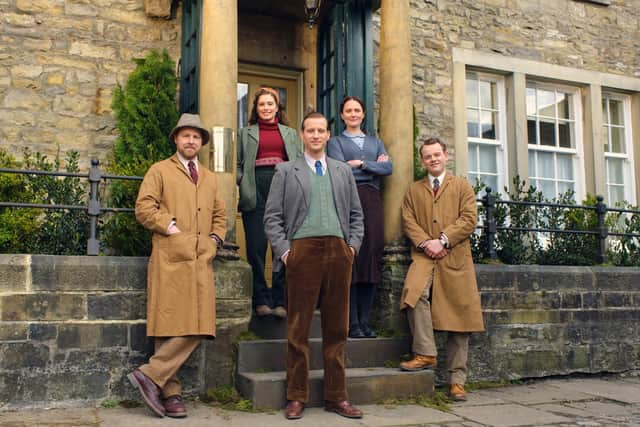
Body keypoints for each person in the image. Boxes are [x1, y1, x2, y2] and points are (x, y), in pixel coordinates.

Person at [264, 112, 364, 420]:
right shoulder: (285, 170)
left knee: (337, 329)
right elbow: (272, 218)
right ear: (302, 135)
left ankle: (337, 396)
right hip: (302, 252)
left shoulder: (342, 171)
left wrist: (351, 249)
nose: (316, 135)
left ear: (328, 135)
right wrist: (285, 252)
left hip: (338, 252)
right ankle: (296, 396)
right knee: (298, 329)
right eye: (311, 130)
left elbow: (357, 216)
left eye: (321, 130)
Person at [128, 113, 227, 418]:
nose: (191, 141)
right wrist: (170, 227)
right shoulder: (159, 171)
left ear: (202, 143)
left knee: (200, 324)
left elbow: (220, 217)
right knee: (168, 323)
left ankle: (149, 374)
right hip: (170, 256)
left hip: (201, 259)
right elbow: (144, 207)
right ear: (176, 139)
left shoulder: (210, 178)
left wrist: (214, 240)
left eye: (196, 137)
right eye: (186, 136)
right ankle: (171, 394)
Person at [399, 137, 484, 402]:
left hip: (455, 256)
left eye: (437, 154)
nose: (433, 159)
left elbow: (469, 219)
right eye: (428, 156)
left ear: (446, 156)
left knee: (460, 318)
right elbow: (408, 219)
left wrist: (444, 240)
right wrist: (426, 243)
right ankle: (426, 352)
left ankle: (457, 382)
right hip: (424, 256)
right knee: (413, 295)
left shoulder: (462, 186)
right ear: (423, 160)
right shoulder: (413, 190)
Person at [326, 96, 392, 339]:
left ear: (363, 115)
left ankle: (365, 321)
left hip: (373, 201)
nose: (353, 114)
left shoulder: (376, 142)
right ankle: (352, 322)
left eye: (357, 110)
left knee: (371, 256)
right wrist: (373, 165)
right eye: (348, 111)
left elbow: (388, 168)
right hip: (347, 200)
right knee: (350, 256)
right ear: (342, 116)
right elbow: (340, 169)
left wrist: (361, 164)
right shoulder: (335, 142)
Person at [237, 87, 302, 317]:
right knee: (256, 247)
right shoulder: (245, 133)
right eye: (261, 104)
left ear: (277, 107)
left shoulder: (291, 134)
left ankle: (281, 299)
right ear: (256, 108)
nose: (266, 108)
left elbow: (300, 163)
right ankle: (260, 299)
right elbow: (236, 164)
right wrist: (242, 180)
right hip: (255, 190)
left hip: (284, 189)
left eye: (270, 104)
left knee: (281, 248)